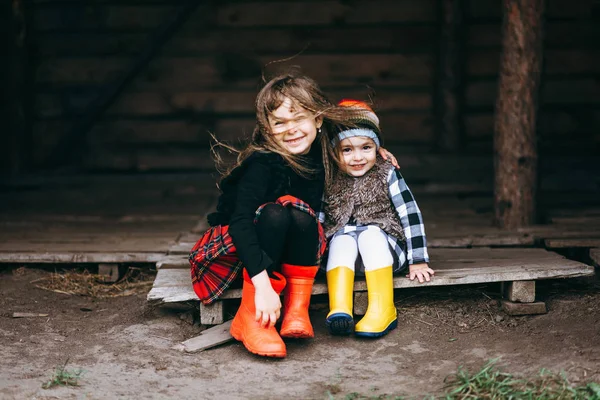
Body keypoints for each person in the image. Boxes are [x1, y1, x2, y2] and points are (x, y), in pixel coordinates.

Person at [189, 72, 397, 358]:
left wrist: (376, 147)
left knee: (301, 215)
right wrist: (262, 285)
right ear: (267, 128)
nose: (292, 129)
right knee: (276, 213)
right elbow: (239, 224)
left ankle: (296, 310)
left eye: (299, 118)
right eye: (279, 123)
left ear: (318, 120)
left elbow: (355, 113)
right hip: (242, 253)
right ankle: (251, 319)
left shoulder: (324, 151)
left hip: (289, 252)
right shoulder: (262, 163)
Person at [322, 99, 435, 338]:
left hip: (384, 252)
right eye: (347, 150)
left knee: (370, 234)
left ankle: (382, 308)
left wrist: (418, 259)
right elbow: (318, 219)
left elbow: (409, 212)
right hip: (347, 260)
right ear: (333, 152)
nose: (357, 157)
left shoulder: (386, 172)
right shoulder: (329, 177)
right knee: (341, 239)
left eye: (366, 147)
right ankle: (340, 308)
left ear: (378, 148)